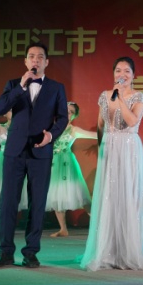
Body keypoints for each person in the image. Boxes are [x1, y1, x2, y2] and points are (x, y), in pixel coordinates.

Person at [0, 42, 68, 268]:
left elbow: (63, 117)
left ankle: (31, 252)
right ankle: (5, 252)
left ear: (46, 62)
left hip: (40, 151)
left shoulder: (56, 88)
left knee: (37, 203)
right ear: (25, 61)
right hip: (14, 151)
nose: (35, 60)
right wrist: (20, 87)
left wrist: (51, 135)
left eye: (40, 56)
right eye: (31, 56)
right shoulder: (14, 84)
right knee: (8, 202)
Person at [80, 56, 143, 271]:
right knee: (109, 197)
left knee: (127, 196)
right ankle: (107, 250)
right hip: (109, 148)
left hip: (129, 148)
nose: (122, 75)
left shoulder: (139, 97)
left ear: (133, 75)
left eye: (127, 71)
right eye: (118, 70)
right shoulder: (104, 96)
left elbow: (132, 121)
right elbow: (101, 125)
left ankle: (128, 251)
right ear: (113, 74)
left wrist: (119, 99)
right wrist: (101, 148)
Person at [46, 101, 96, 238]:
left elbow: (94, 135)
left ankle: (100, 225)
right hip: (53, 164)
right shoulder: (50, 128)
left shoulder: (73, 130)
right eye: (65, 110)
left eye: (71, 112)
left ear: (74, 116)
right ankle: (63, 229)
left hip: (66, 164)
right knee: (56, 196)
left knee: (80, 195)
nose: (67, 113)